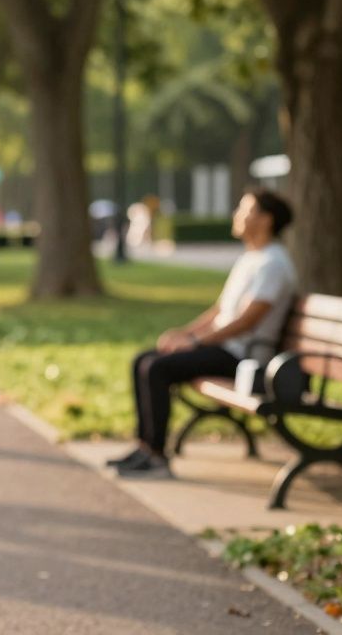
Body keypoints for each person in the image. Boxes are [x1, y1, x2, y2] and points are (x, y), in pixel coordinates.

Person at [111, 188, 297, 479]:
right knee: (142, 360)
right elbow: (220, 310)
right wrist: (184, 334)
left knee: (156, 368)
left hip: (244, 358)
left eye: (245, 210)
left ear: (266, 220)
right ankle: (145, 448)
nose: (237, 215)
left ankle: (157, 458)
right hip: (226, 349)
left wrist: (195, 341)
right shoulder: (252, 258)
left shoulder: (273, 263)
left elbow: (246, 322)